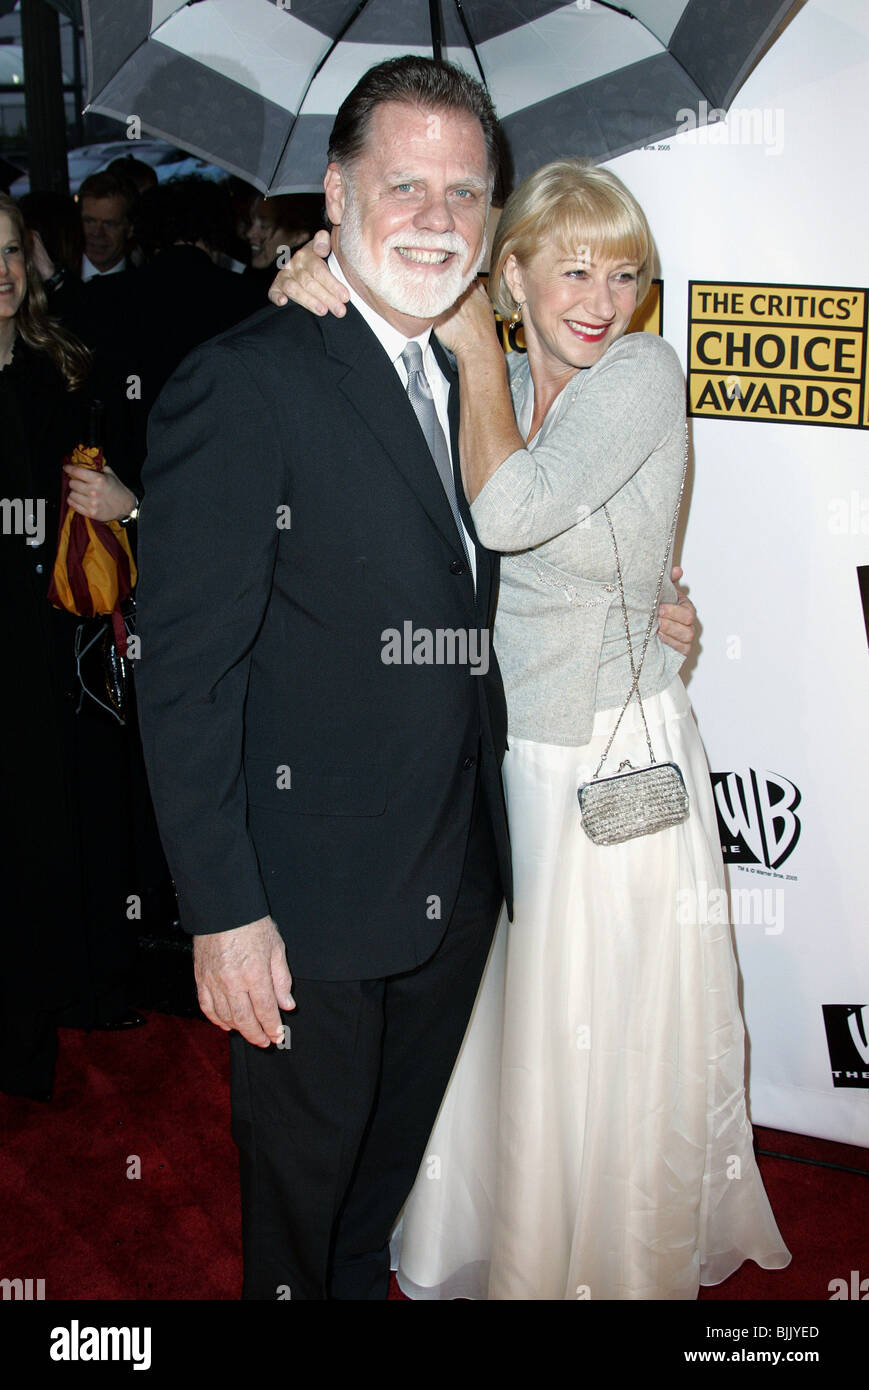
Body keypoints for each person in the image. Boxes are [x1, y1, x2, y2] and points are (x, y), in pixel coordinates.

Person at [135, 58, 694, 1301]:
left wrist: (651, 612)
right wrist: (223, 912)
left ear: (493, 220)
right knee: (299, 1202)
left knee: (376, 1198)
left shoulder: (477, 374)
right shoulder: (245, 382)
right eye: (402, 186)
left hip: (461, 877)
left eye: (462, 192)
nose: (435, 218)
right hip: (309, 905)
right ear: (331, 197)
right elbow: (184, 677)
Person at [270, 159, 789, 1299]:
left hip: (609, 757)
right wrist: (300, 271)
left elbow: (506, 510)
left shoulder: (640, 374)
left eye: (623, 271)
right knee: (513, 1017)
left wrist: (470, 358)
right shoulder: (492, 373)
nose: (601, 297)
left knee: (599, 1017)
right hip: (502, 753)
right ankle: (510, 1228)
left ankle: (597, 1252)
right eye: (571, 267)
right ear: (508, 276)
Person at [0, 194, 144, 1101]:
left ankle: (56, 998)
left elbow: (106, 497)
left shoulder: (59, 372)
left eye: (11, 249)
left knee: (56, 825)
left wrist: (124, 503)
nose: (4, 270)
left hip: (53, 647)